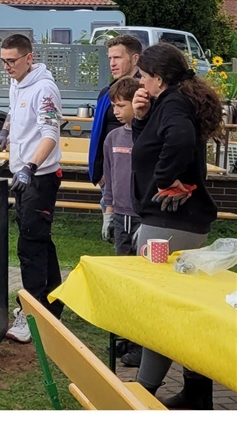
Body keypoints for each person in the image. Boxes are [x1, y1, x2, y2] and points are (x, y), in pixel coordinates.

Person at [130, 43, 222, 409]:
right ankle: (196, 392)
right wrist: (139, 118)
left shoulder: (172, 105)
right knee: (180, 310)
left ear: (158, 77)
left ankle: (141, 394)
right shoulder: (170, 103)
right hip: (177, 221)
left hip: (170, 222)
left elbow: (179, 141)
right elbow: (150, 148)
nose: (138, 81)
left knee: (160, 310)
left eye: (142, 76)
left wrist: (164, 181)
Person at [0, 34, 64, 343]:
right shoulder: (17, 82)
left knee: (30, 246)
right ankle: (55, 302)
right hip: (22, 174)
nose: (6, 66)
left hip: (39, 177)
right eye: (3, 60)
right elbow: (14, 111)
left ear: (28, 58)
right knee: (40, 240)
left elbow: (50, 133)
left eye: (12, 60)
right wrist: (4, 134)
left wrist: (30, 167)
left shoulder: (45, 90)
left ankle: (30, 314)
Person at [100, 76, 143, 367]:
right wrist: (108, 212)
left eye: (121, 105)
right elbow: (109, 180)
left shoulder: (145, 136)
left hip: (143, 218)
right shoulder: (113, 138)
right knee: (123, 282)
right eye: (114, 105)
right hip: (121, 217)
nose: (116, 111)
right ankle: (125, 339)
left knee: (141, 283)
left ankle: (142, 344)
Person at [89, 35, 143, 188]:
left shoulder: (145, 92)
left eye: (118, 58)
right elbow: (98, 134)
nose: (112, 63)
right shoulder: (106, 93)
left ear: (135, 59)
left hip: (134, 173)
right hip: (108, 172)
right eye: (110, 58)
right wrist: (98, 170)